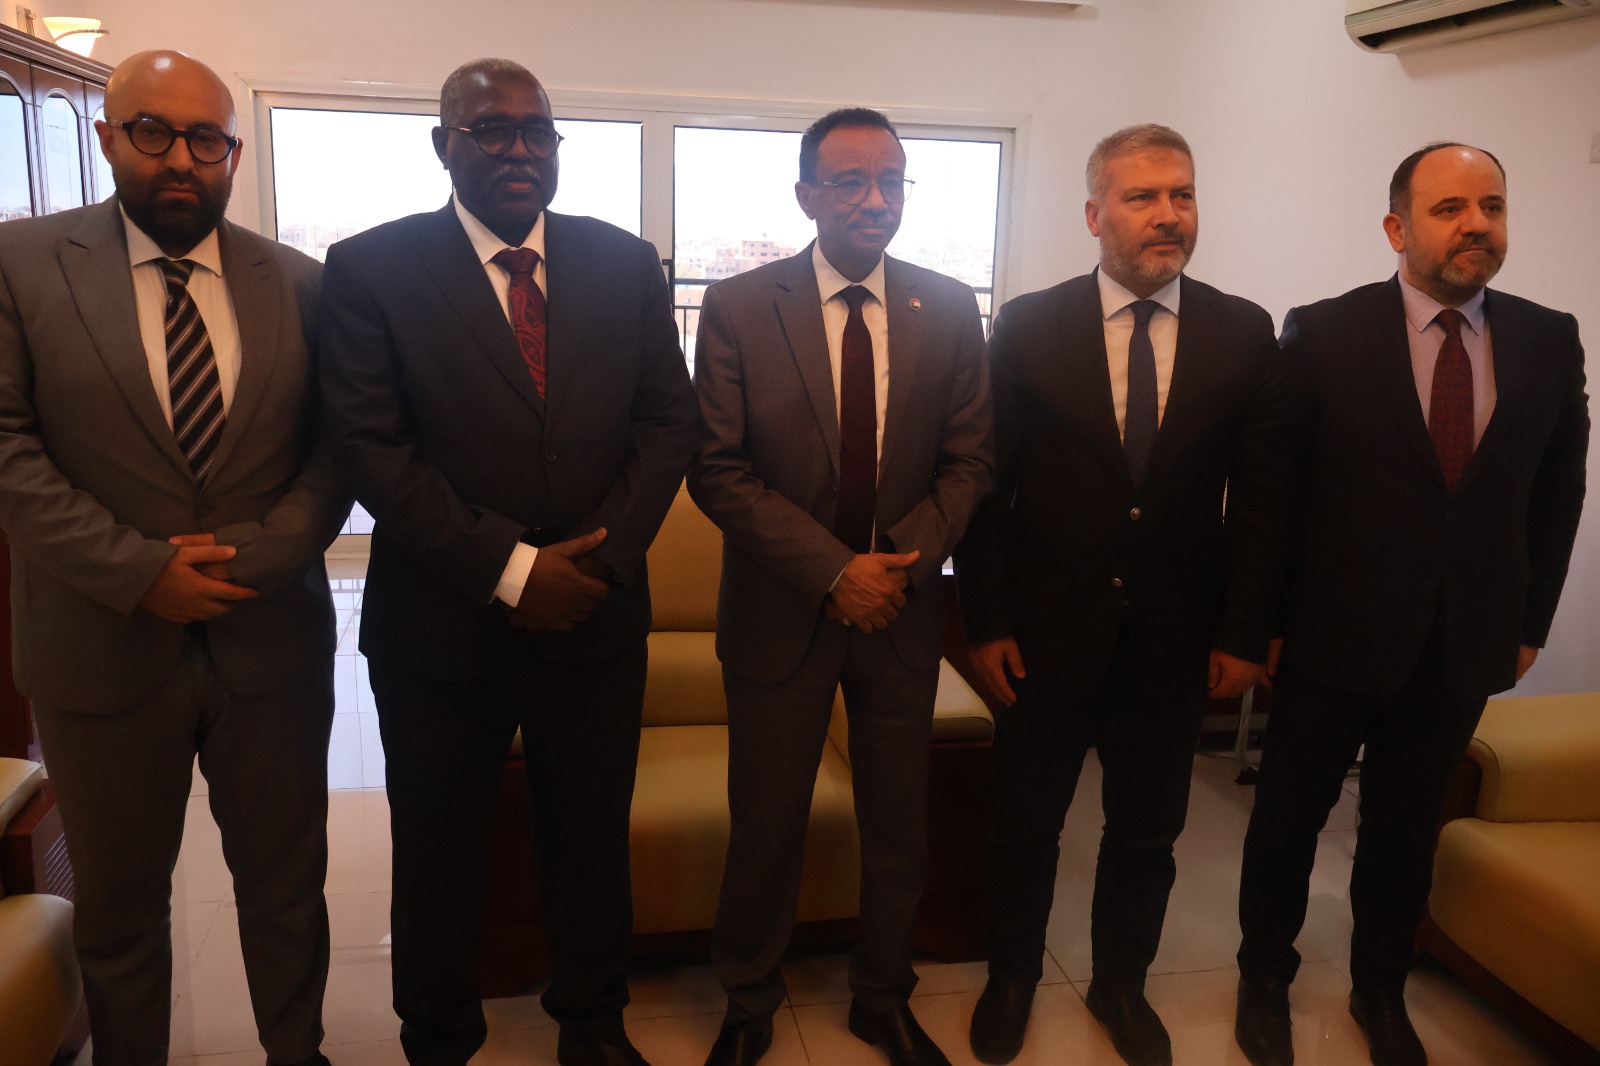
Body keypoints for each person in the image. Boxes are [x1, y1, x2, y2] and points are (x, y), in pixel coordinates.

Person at [319, 57, 697, 1066]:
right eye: (492, 130)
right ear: (444, 145)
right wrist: (516, 569)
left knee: (590, 839)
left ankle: (594, 1026)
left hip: (596, 621)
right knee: (440, 849)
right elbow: (370, 449)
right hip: (441, 629)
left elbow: (668, 422)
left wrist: (598, 564)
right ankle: (440, 1039)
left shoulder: (624, 262)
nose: (520, 149)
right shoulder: (370, 269)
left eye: (538, 131)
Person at [0, 50, 347, 1066]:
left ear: (232, 152)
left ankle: (298, 1054)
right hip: (99, 646)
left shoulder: (304, 285)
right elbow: (7, 447)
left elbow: (336, 449)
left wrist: (261, 555)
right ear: (109, 138)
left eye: (206, 139)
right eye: (155, 133)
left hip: (269, 641)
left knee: (287, 891)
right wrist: (137, 569)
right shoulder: (18, 265)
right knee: (119, 906)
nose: (182, 160)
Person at [1234, 142, 1589, 1066]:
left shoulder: (1550, 338)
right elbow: (1273, 495)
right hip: (1328, 637)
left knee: (1402, 832)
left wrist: (1529, 623)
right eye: (1450, 208)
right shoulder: (1323, 332)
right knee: (1287, 822)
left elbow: (1558, 494)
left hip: (1463, 641)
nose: (1477, 225)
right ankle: (1263, 979)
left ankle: (1379, 987)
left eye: (1492, 206)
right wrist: (1259, 625)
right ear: (1397, 228)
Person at [953, 124, 1290, 1066]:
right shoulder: (1029, 325)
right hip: (1044, 632)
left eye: (1182, 194)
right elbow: (988, 487)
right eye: (1143, 197)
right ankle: (1012, 976)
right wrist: (987, 621)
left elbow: (1262, 502)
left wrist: (1245, 631)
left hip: (1176, 638)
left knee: (1148, 831)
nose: (1168, 214)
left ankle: (1120, 983)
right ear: (1095, 214)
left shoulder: (1243, 330)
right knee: (1026, 824)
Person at [688, 107, 992, 1066]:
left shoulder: (949, 308)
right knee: (766, 823)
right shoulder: (739, 307)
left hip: (900, 611)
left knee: (899, 822)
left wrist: (896, 563)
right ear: (807, 195)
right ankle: (748, 999)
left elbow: (970, 464)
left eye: (890, 180)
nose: (873, 199)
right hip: (780, 614)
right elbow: (718, 470)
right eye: (850, 180)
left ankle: (882, 996)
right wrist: (833, 571)